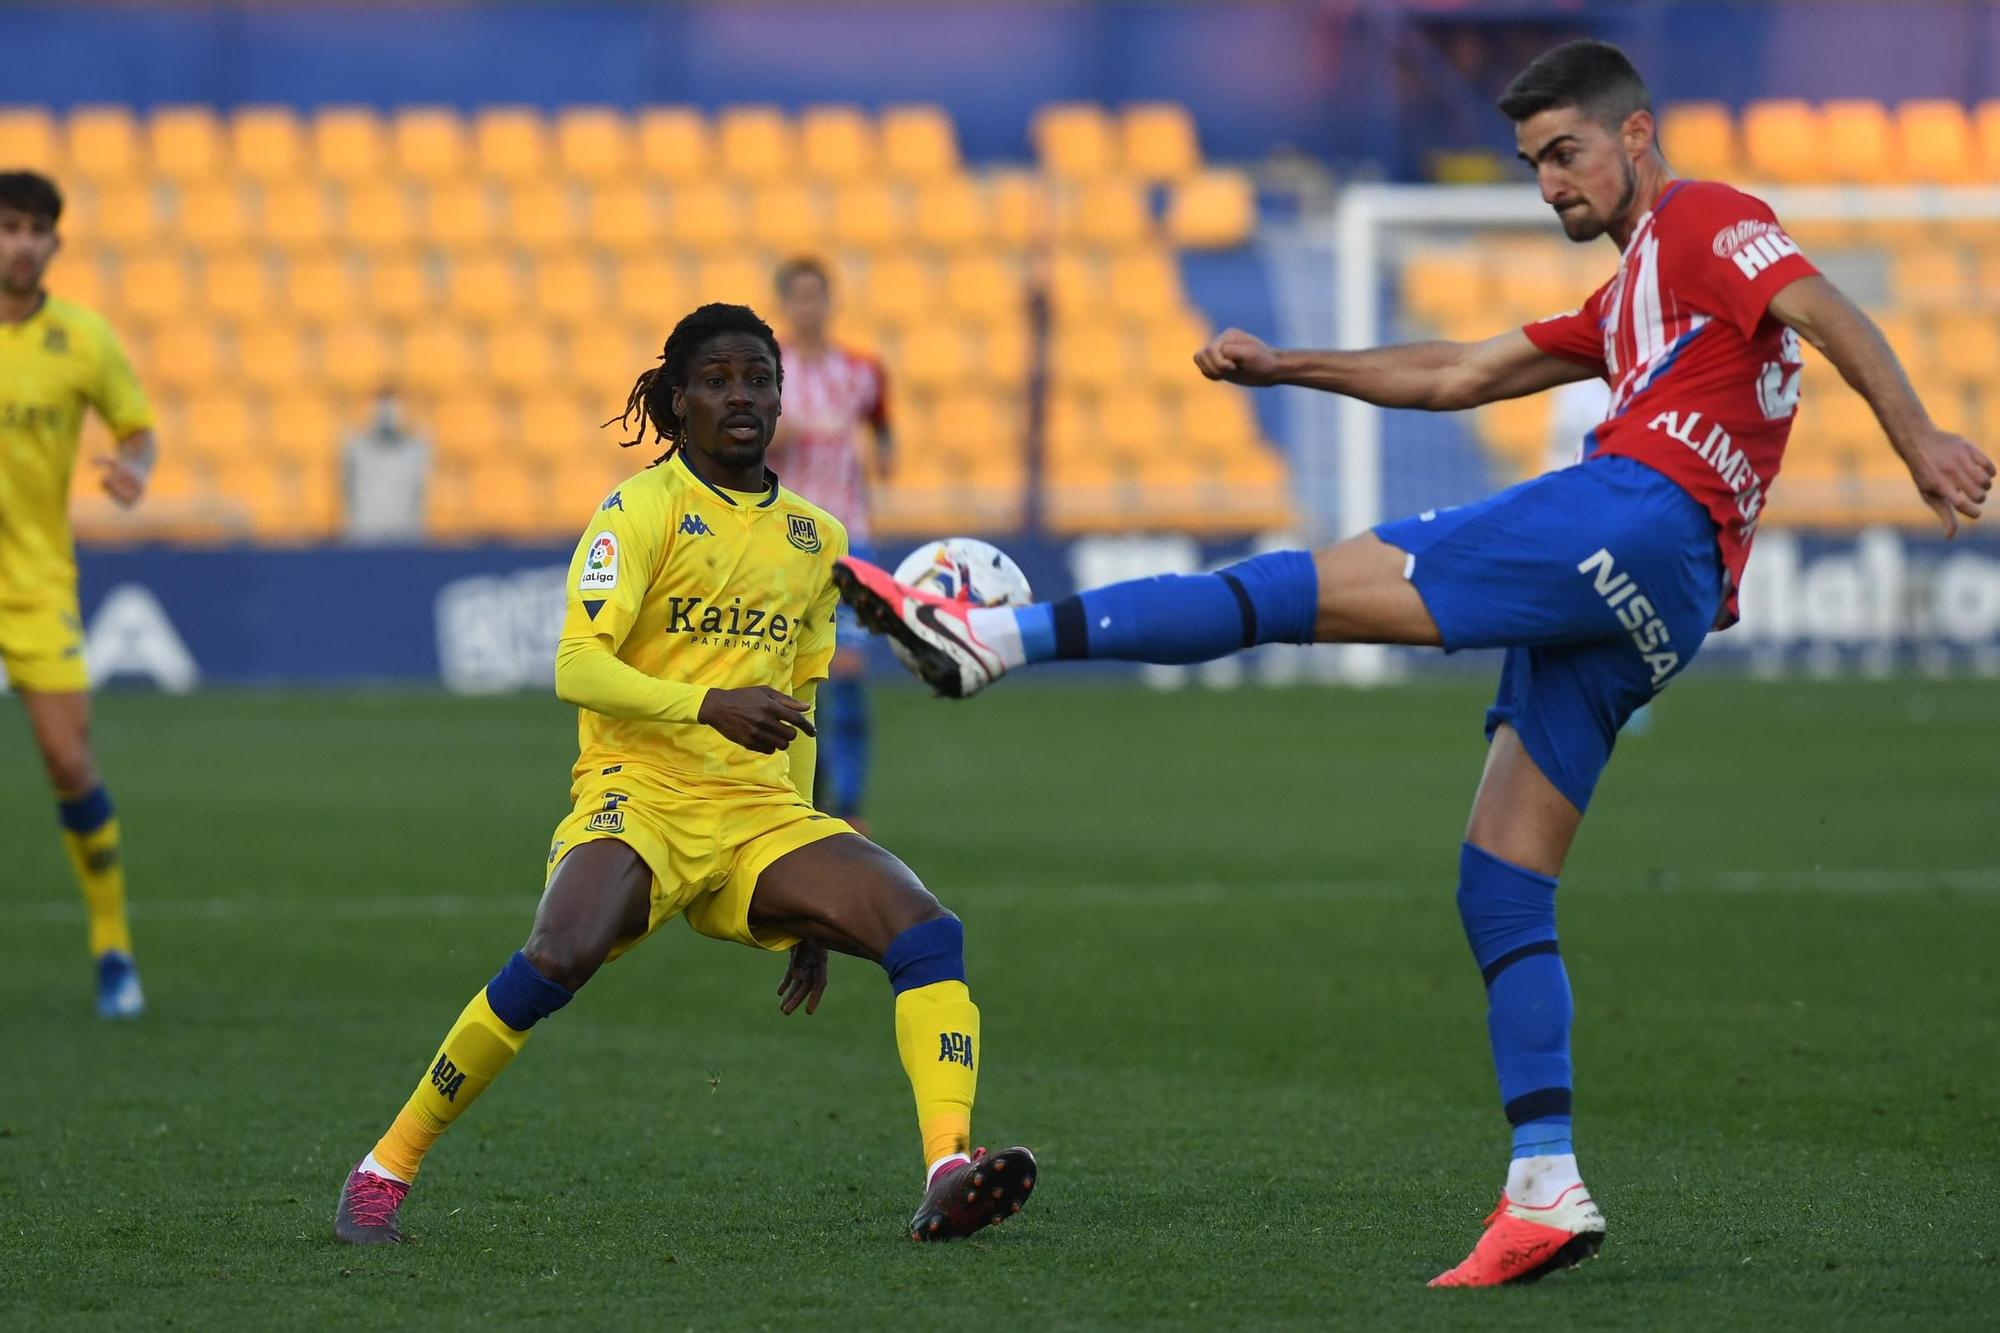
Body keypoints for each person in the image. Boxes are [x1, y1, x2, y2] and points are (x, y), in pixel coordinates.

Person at [832, 41, 1993, 1287]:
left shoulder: (1704, 219)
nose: (1548, 184)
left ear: (1636, 136)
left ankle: (992, 637)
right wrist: (1289, 367)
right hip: (1659, 604)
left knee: (1291, 591)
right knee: (1499, 879)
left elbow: (1820, 305)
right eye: (1531, 164)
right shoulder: (1620, 306)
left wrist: (1917, 434)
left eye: (1565, 154)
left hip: (1635, 513)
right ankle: (1543, 1183)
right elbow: (1456, 372)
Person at [333, 303, 1035, 1246]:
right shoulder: (641, 510)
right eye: (715, 380)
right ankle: (386, 1166)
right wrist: (707, 705)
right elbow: (575, 665)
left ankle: (949, 1164)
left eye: (757, 379)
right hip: (641, 792)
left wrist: (814, 891)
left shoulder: (815, 539)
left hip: (759, 814)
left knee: (925, 929)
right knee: (560, 953)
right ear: (677, 400)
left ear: (781, 398)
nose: (739, 396)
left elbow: (799, 710)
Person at [0, 170, 158, 1018]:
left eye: (35, 229)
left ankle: (112, 946)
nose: (21, 243)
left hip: (34, 584)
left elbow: (139, 430)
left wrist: (134, 469)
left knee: (67, 760)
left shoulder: (83, 341)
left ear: (55, 243)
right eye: (8, 227)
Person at [766, 257, 891, 829]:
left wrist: (883, 458)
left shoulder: (862, 370)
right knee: (788, 675)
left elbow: (881, 425)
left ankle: (851, 804)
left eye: (818, 296)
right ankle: (800, 800)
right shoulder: (768, 373)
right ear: (785, 305)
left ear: (829, 302)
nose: (809, 307)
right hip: (785, 542)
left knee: (847, 674)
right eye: (799, 298)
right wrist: (773, 436)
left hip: (850, 540)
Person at [341, 385, 430, 543]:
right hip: (365, 533)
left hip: (405, 534)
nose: (387, 415)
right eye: (382, 407)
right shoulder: (357, 448)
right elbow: (344, 485)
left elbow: (422, 486)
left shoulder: (415, 449)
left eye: (393, 408)